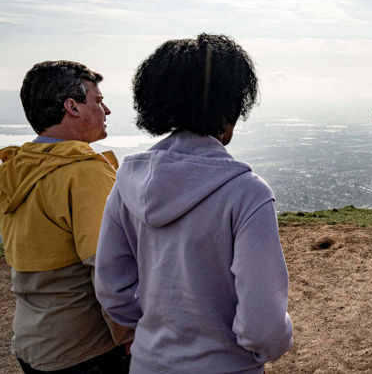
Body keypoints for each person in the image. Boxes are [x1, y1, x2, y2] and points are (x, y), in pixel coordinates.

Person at [94, 34, 293, 373]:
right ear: (230, 108)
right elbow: (264, 324)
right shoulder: (247, 193)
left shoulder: (126, 181)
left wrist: (154, 332)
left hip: (147, 363)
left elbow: (111, 288)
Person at [0, 61, 132, 373]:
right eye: (98, 101)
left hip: (34, 343)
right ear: (71, 106)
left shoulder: (16, 168)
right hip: (86, 350)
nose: (107, 111)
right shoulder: (83, 172)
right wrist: (130, 334)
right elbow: (108, 265)